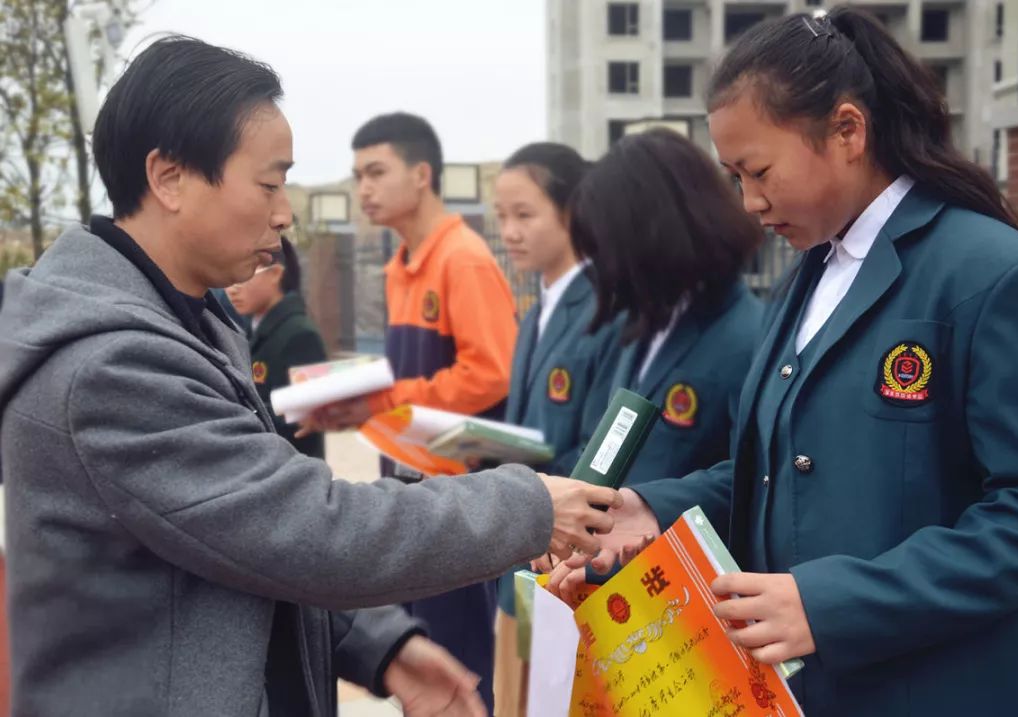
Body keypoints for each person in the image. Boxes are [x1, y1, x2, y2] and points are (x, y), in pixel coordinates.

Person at [0, 36, 621, 717]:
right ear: (169, 177)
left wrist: (379, 642)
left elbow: (238, 539)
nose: (284, 212)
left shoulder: (190, 320)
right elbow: (305, 527)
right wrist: (527, 505)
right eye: (268, 183)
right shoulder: (112, 368)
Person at [552, 7, 1018, 716]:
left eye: (760, 170)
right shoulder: (807, 277)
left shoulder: (996, 276)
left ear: (848, 131)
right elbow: (777, 472)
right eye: (733, 175)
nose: (749, 201)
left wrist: (832, 603)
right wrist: (650, 505)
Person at [299, 111, 521, 713]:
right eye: (356, 175)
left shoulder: (463, 259)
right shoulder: (402, 265)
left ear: (421, 174)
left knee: (460, 668)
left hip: (453, 498)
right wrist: (355, 403)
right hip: (403, 484)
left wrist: (386, 400)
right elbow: (408, 380)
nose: (362, 189)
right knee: (418, 664)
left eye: (376, 172)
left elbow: (490, 372)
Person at [490, 142, 624, 715]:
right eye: (501, 217)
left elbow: (599, 445)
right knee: (511, 697)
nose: (509, 232)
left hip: (562, 557)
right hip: (520, 550)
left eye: (525, 214)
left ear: (571, 212)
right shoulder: (537, 308)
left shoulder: (604, 308)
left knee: (543, 699)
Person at [569, 129, 763, 490]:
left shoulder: (747, 339)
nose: (602, 265)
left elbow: (748, 483)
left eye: (608, 247)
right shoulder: (641, 325)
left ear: (653, 234)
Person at [227, 236, 328, 457]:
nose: (232, 289)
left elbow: (303, 416)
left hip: (294, 471)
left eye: (244, 275)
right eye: (229, 277)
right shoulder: (252, 330)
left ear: (275, 274)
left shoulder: (300, 335)